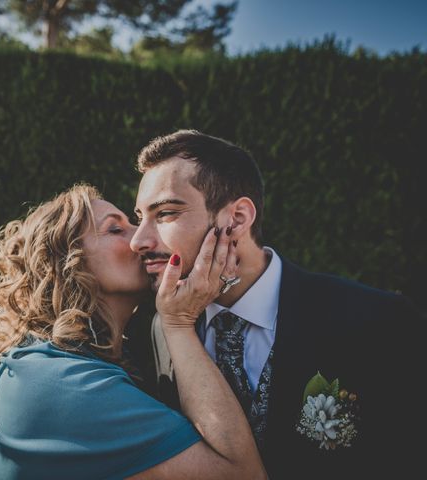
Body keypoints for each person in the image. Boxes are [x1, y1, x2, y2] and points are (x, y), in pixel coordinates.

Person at [129, 129, 422, 479]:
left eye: (164, 214)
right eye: (139, 217)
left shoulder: (379, 320)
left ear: (236, 219)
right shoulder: (164, 327)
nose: (138, 240)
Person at [0, 184, 266, 480]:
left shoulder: (41, 366)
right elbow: (244, 475)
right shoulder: (64, 386)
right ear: (67, 263)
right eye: (116, 229)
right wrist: (178, 323)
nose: (141, 239)